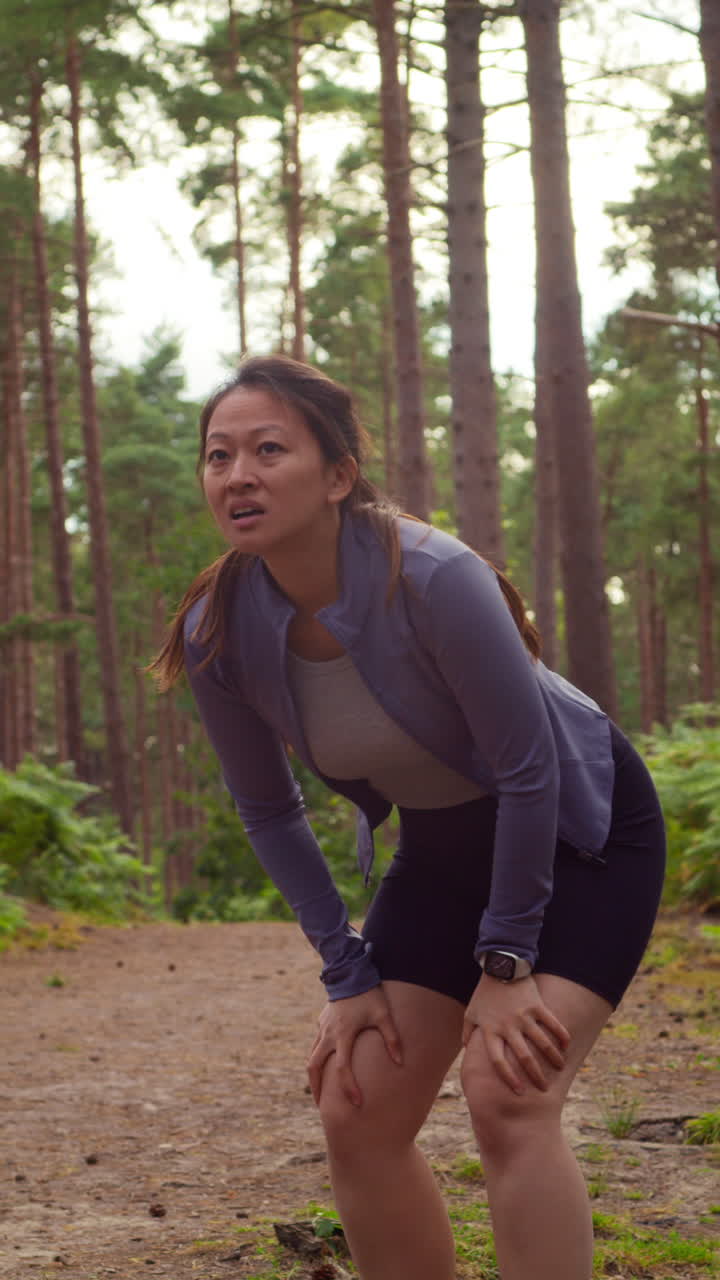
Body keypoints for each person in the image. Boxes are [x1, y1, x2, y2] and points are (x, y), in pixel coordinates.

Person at [150, 353, 665, 1280]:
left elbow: (528, 768)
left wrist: (504, 964)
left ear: (339, 475)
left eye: (269, 449)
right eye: (218, 456)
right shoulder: (218, 627)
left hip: (580, 828)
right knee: (358, 1103)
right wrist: (347, 975)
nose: (239, 475)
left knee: (508, 1094)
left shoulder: (432, 575)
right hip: (442, 847)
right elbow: (268, 812)